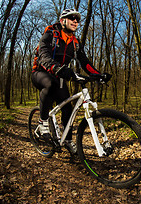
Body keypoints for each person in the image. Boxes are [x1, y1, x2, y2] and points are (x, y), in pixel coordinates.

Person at [31, 9, 111, 154]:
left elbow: (84, 62)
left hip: (60, 77)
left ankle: (67, 140)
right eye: (72, 18)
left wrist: (98, 75)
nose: (75, 21)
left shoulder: (75, 42)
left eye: (77, 19)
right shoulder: (50, 34)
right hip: (40, 73)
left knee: (68, 108)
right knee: (49, 82)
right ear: (63, 21)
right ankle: (42, 122)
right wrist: (57, 68)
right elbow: (43, 56)